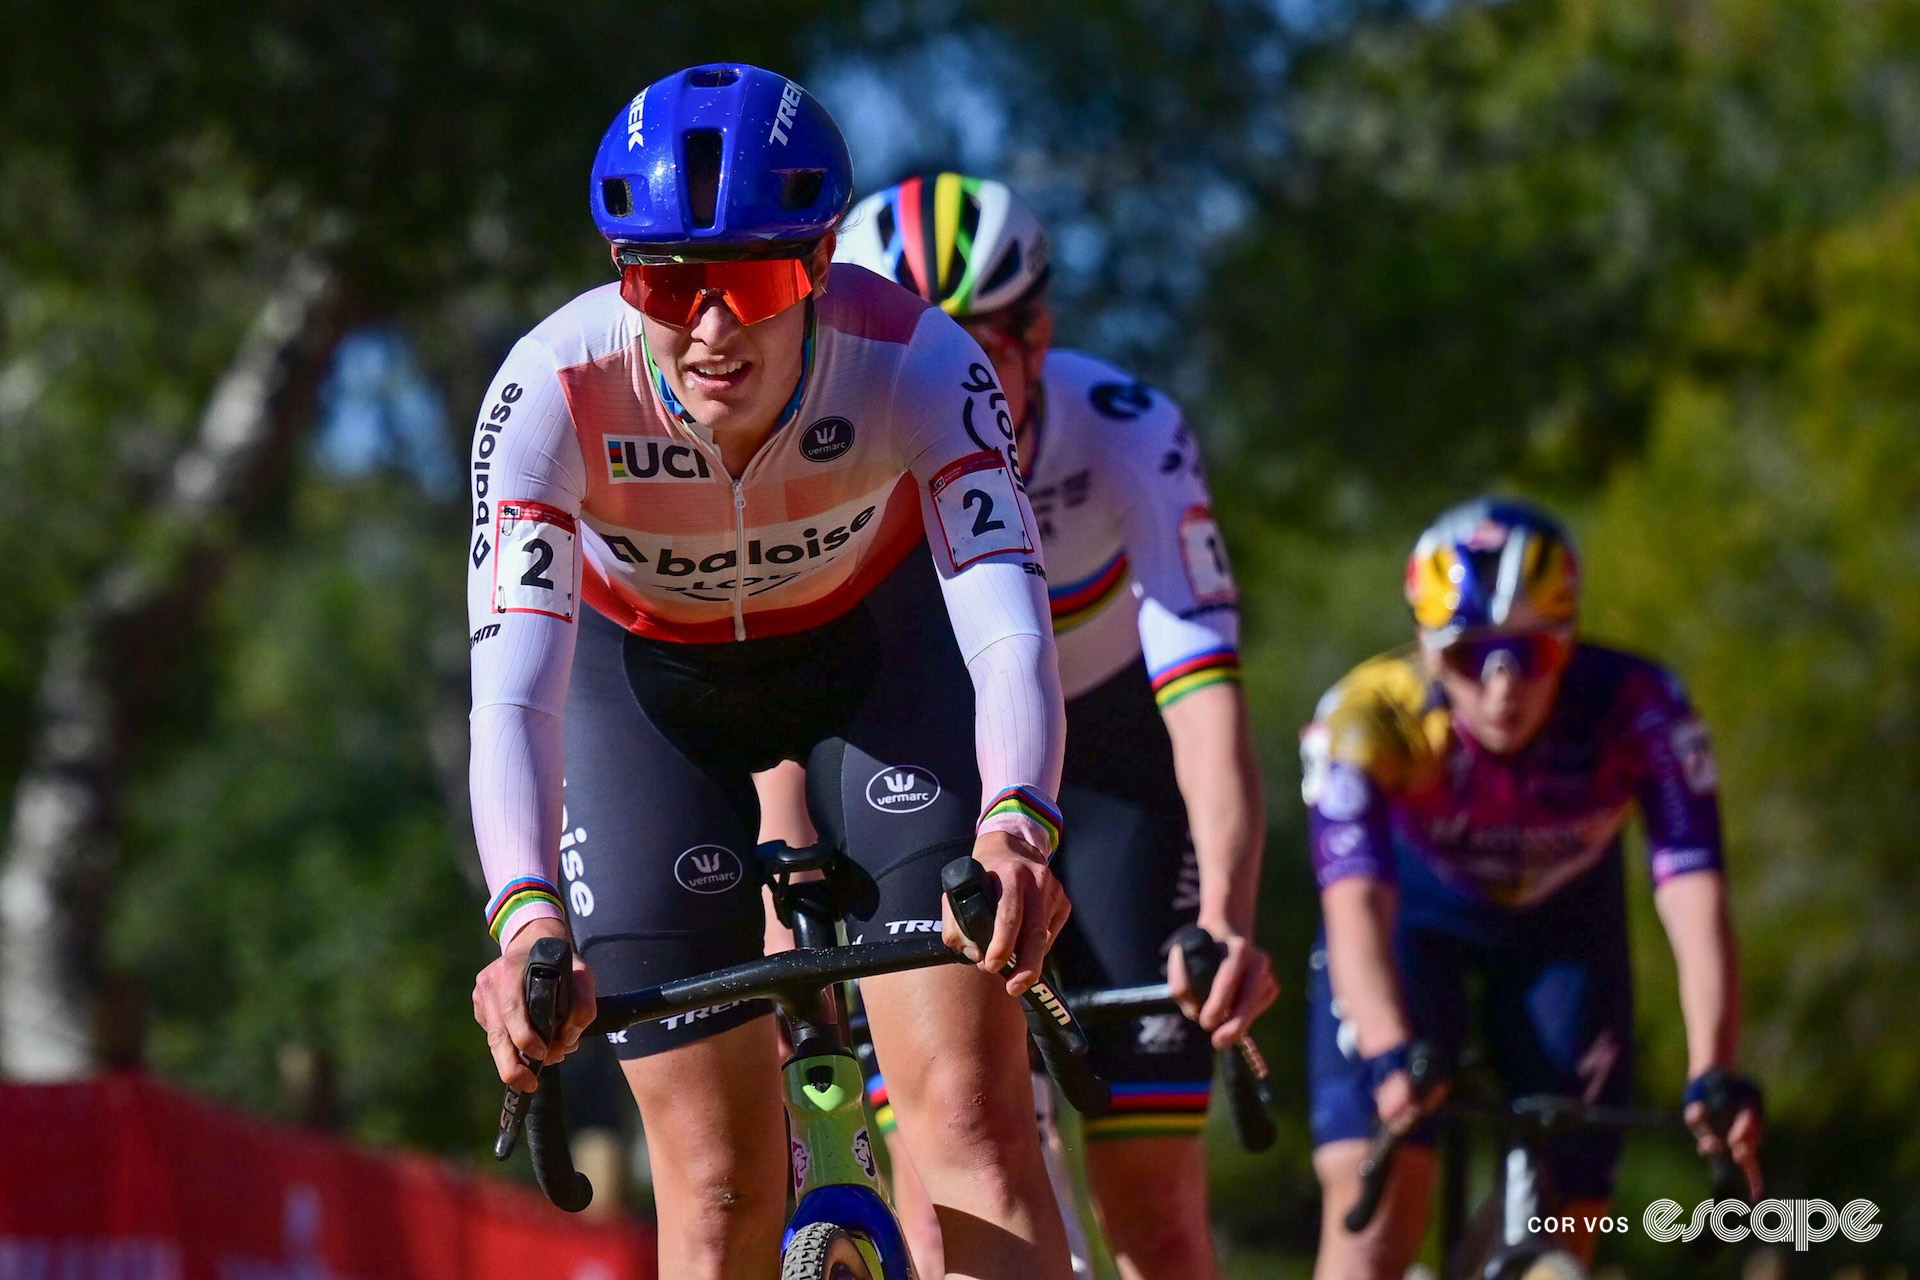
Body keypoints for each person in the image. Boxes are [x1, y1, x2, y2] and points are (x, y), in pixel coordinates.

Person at [464, 66, 1077, 1280]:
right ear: (618, 273)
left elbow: (1007, 626)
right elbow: (516, 692)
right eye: (665, 282)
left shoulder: (918, 357)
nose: (710, 326)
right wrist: (524, 915)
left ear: (821, 261)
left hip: (877, 663)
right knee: (715, 1193)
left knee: (967, 1128)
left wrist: (1018, 826)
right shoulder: (548, 391)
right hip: (650, 697)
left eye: (750, 281)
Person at [767, 172, 1277, 1280]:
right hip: (928, 770)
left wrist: (1230, 917)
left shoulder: (1128, 436)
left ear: (1038, 336)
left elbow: (1205, 706)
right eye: (910, 345)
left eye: (982, 346)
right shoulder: (819, 446)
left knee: (1156, 1208)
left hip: (1110, 773)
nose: (948, 377)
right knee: (960, 1155)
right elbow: (769, 676)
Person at [1300, 497, 1765, 1279]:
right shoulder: (1366, 718)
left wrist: (1712, 1068)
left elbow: (1694, 895)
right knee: (1376, 1205)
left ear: (1570, 641)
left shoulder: (1640, 709)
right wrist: (1386, 1052)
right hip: (1411, 922)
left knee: (1562, 1228)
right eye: (1469, 658)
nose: (1502, 687)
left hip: (1564, 927)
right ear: (1423, 644)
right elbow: (1354, 904)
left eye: (1531, 653)